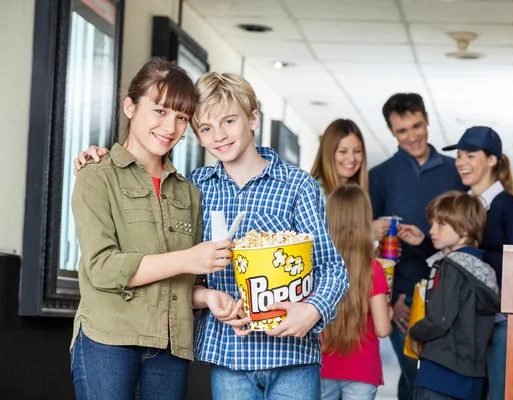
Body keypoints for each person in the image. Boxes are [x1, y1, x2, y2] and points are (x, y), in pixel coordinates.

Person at [74, 71, 349, 399]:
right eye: (205, 128)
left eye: (229, 121)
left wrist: (312, 309)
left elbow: (332, 267)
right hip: (227, 356)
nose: (219, 135)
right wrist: (99, 157)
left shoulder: (297, 185)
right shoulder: (195, 187)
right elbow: (179, 271)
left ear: (253, 119)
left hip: (291, 354)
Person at [69, 58, 234, 399]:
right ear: (130, 106)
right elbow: (102, 268)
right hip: (109, 341)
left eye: (181, 117)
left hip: (170, 347)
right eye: (160, 111)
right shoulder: (96, 175)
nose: (170, 127)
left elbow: (184, 285)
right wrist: (189, 259)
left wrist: (207, 296)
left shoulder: (189, 192)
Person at [400, 126, 513, 400]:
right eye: (459, 156)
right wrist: (425, 241)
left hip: (495, 320)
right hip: (461, 322)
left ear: (493, 159)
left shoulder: (508, 206)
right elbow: (460, 256)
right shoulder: (462, 204)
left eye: (470, 155)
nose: (460, 162)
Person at [368, 93, 465, 399]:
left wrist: (425, 240)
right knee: (417, 376)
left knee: (435, 379)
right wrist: (391, 297)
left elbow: (469, 235)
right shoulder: (379, 177)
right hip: (404, 299)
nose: (412, 137)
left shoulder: (456, 172)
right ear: (391, 132)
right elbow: (370, 250)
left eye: (417, 125)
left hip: (451, 292)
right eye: (402, 130)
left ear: (427, 119)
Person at [408, 191, 500, 400]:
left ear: (465, 229)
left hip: (438, 374)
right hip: (473, 380)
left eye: (441, 225)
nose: (432, 230)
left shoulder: (451, 267)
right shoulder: (487, 272)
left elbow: (440, 320)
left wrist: (414, 332)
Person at [320, 185, 393, 400]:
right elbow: (382, 329)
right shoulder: (373, 269)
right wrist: (388, 315)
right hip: (362, 370)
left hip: (323, 366)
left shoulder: (318, 267)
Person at [310, 118, 395, 245]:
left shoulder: (357, 192)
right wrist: (366, 233)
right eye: (343, 151)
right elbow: (315, 243)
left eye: (357, 151)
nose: (351, 158)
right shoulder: (313, 192)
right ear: (328, 154)